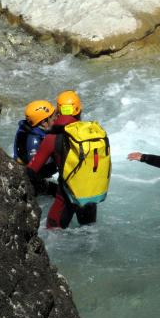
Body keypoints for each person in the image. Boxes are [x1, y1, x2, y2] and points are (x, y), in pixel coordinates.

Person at [27, 90, 111, 229]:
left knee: (53, 233)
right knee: (89, 234)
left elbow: (32, 171)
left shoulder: (52, 138)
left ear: (58, 111)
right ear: (79, 110)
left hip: (65, 198)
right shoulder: (93, 134)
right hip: (90, 197)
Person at [14, 100, 57, 196]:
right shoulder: (33, 140)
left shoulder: (31, 128)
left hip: (28, 168)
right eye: (53, 117)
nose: (55, 118)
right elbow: (34, 168)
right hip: (33, 178)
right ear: (43, 122)